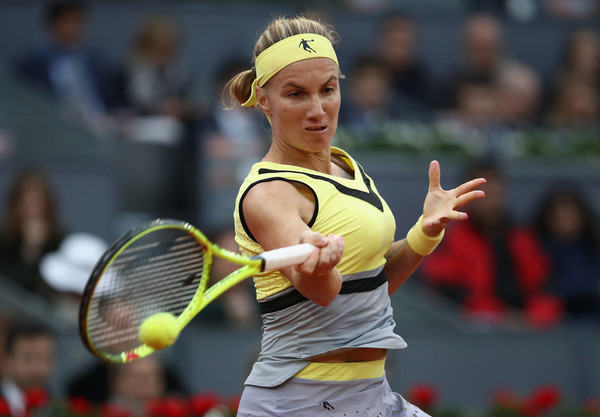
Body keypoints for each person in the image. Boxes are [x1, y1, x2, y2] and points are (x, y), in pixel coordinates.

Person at [225, 15, 486, 416]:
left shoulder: (348, 168)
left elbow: (368, 286)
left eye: (327, 90)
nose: (318, 110)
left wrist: (423, 234)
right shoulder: (267, 194)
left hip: (371, 395)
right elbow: (324, 291)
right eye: (296, 95)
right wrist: (316, 264)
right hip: (298, 403)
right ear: (264, 99)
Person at [418, 161, 562, 328]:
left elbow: (545, 287)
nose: (491, 198)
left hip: (530, 329)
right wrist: (498, 317)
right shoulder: (453, 239)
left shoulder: (523, 238)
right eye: (483, 191)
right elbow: (447, 291)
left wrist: (532, 319)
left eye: (496, 189)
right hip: (475, 332)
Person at [12, 0, 114, 133]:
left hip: (101, 127)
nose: (73, 28)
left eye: (78, 22)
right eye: (67, 21)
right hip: (54, 130)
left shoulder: (96, 61)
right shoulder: (31, 64)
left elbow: (112, 101)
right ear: (52, 25)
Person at [533, 186, 600, 322]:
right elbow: (549, 289)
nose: (566, 219)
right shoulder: (538, 249)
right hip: (555, 323)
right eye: (560, 214)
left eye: (571, 214)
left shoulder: (592, 247)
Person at [0, 171, 65, 301]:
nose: (32, 212)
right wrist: (30, 251)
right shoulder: (5, 243)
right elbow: (12, 291)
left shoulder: (62, 242)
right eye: (26, 206)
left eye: (37, 205)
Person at [0, 320, 56, 417]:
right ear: (7, 359)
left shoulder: (57, 404)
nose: (38, 369)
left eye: (45, 359)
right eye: (28, 359)